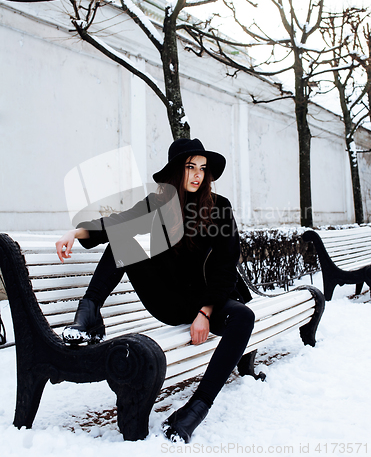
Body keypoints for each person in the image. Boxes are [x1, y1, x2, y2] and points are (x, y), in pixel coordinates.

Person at [56, 138, 255, 443]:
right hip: (166, 299)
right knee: (126, 238)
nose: (198, 175)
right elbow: (116, 222)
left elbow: (225, 266)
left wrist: (206, 311)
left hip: (204, 300)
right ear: (177, 170)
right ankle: (89, 310)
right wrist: (75, 231)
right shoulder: (157, 204)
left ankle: (195, 409)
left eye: (203, 168)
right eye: (191, 167)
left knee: (243, 317)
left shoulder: (219, 208)